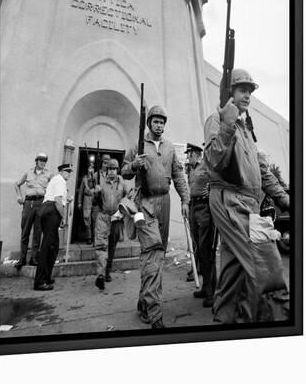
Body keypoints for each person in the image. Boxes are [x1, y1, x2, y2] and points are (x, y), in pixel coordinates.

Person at [204, 69, 290, 323]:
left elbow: (262, 171)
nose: (248, 96)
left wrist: (284, 198)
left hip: (248, 205)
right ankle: (278, 326)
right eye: (243, 90)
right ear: (228, 92)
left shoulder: (246, 129)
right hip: (231, 200)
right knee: (269, 264)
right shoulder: (216, 120)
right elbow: (213, 160)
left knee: (233, 277)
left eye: (250, 91)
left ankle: (225, 327)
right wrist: (227, 124)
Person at [122, 106, 190, 329]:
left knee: (155, 257)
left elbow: (179, 174)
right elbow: (124, 171)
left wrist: (185, 200)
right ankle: (154, 313)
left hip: (165, 204)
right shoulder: (138, 146)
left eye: (162, 122)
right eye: (156, 121)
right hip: (145, 204)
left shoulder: (169, 147)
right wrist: (134, 164)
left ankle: (144, 302)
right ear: (149, 123)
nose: (159, 125)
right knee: (153, 254)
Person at [185, 143, 216, 308]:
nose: (187, 157)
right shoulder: (192, 169)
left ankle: (212, 292)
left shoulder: (207, 165)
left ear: (196, 154)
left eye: (189, 154)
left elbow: (216, 184)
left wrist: (210, 197)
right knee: (198, 248)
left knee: (206, 251)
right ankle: (205, 287)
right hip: (193, 208)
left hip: (205, 209)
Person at [34, 164, 73, 291]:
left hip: (49, 210)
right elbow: (57, 201)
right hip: (51, 210)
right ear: (61, 172)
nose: (69, 174)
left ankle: (46, 276)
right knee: (47, 246)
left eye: (69, 172)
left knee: (53, 246)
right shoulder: (60, 180)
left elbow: (61, 200)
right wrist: (64, 218)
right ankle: (40, 281)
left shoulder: (58, 181)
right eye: (67, 171)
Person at [93, 159, 128, 290]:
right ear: (107, 170)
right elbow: (95, 203)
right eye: (110, 169)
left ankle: (107, 271)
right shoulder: (101, 183)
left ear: (117, 170)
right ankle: (100, 275)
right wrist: (96, 193)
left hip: (117, 218)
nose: (112, 171)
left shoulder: (122, 183)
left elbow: (127, 199)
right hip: (103, 217)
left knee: (112, 245)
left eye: (114, 169)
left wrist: (123, 212)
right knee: (102, 246)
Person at [13, 152, 52, 269]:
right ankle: (22, 258)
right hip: (28, 203)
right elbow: (17, 184)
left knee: (38, 231)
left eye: (44, 160)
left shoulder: (49, 174)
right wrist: (19, 196)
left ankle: (34, 258)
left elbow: (57, 184)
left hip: (41, 203)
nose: (42, 162)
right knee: (25, 231)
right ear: (36, 161)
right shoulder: (28, 172)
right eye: (40, 160)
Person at [78, 163, 96, 245]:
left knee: (95, 218)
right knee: (87, 217)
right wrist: (79, 202)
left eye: (92, 168)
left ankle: (95, 237)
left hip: (94, 199)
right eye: (90, 168)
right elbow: (81, 191)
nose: (91, 170)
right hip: (86, 199)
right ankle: (89, 237)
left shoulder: (96, 178)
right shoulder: (84, 179)